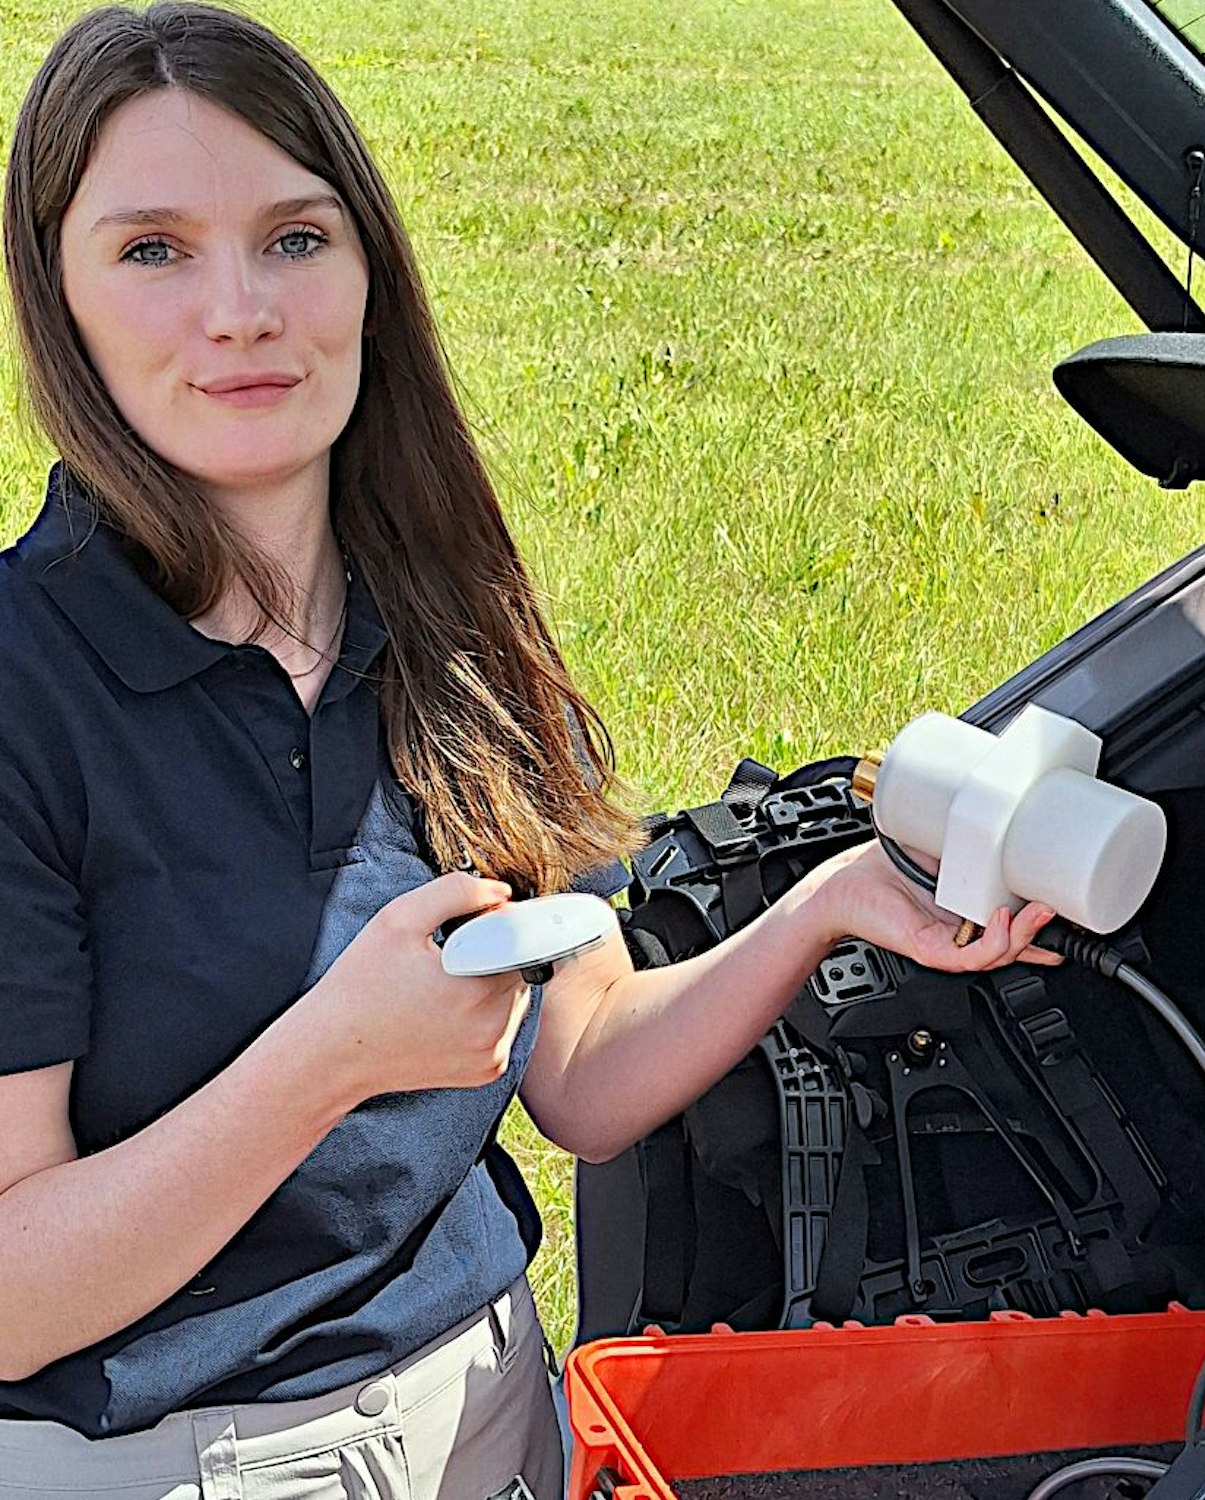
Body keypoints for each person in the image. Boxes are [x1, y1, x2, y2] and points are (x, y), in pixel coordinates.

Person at [0, 5, 1057, 1497]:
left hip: (491, 1417)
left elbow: (578, 1069)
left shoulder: (449, 620)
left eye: (296, 239)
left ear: (372, 274)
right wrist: (331, 1062)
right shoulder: (21, 690)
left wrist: (830, 906)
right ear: (59, 296)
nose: (237, 309)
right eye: (152, 249)